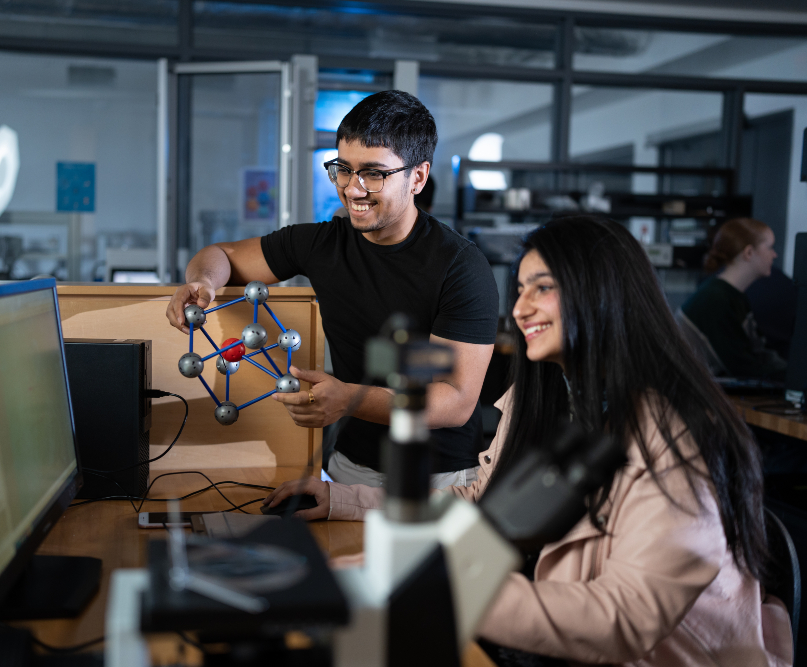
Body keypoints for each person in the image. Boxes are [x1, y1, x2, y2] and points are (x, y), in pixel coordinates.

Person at [265, 215, 792, 666]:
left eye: (543, 287)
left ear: (601, 290)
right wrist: (342, 500)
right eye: (519, 289)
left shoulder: (676, 436)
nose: (520, 309)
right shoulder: (547, 396)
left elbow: (624, 618)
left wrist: (445, 586)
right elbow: (480, 501)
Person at [166, 90, 498, 489]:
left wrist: (349, 399)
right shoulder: (323, 243)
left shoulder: (460, 265)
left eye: (374, 174)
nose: (353, 189)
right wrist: (202, 281)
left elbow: (456, 401)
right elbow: (220, 255)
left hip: (439, 479)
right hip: (348, 468)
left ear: (419, 177)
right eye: (343, 168)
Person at [682, 217, 787, 380]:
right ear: (749, 253)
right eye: (769, 247)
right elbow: (744, 367)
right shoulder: (715, 299)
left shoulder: (732, 295)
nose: (774, 254)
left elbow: (757, 353)